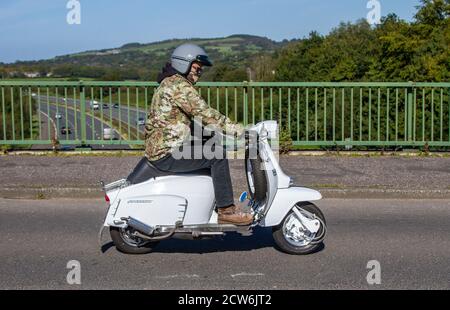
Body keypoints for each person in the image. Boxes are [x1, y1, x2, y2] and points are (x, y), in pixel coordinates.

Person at [144, 43, 253, 226]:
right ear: (183, 63)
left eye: (200, 69)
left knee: (211, 145)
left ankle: (206, 206)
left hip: (164, 147)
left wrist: (212, 134)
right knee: (217, 156)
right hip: (167, 152)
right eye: (197, 67)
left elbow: (183, 120)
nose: (199, 72)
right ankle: (226, 211)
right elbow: (204, 113)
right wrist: (238, 130)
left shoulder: (169, 82)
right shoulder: (179, 86)